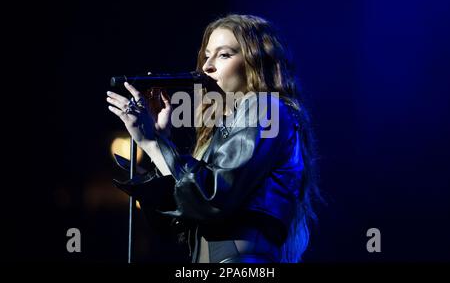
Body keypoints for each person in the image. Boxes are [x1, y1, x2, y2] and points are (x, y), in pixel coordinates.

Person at [106, 14, 320, 263]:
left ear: (257, 62)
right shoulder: (225, 130)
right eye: (207, 55)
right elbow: (178, 219)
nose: (207, 66)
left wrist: (154, 144)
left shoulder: (266, 107)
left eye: (224, 54)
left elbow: (213, 195)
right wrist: (159, 139)